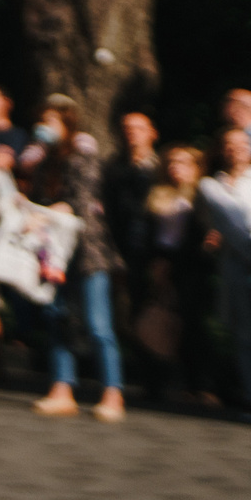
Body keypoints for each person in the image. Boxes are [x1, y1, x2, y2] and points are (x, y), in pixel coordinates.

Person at [23, 97, 125, 420]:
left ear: (67, 125)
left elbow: (82, 202)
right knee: (57, 319)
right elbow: (38, 197)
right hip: (54, 253)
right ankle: (62, 388)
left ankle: (113, 393)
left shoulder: (83, 157)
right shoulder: (42, 163)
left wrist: (45, 215)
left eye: (52, 120)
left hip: (88, 253)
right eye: (43, 120)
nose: (45, 127)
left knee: (98, 325)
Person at [131, 144, 217, 407]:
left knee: (190, 325)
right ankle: (154, 384)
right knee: (154, 321)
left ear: (195, 168)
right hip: (159, 264)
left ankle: (198, 385)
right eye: (171, 162)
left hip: (189, 267)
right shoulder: (157, 195)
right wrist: (155, 263)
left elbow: (204, 236)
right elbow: (146, 233)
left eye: (182, 163)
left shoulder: (202, 196)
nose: (174, 167)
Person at [199, 125, 251, 411]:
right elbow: (230, 227)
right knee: (244, 334)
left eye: (242, 143)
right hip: (235, 265)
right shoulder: (211, 185)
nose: (236, 148)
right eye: (229, 144)